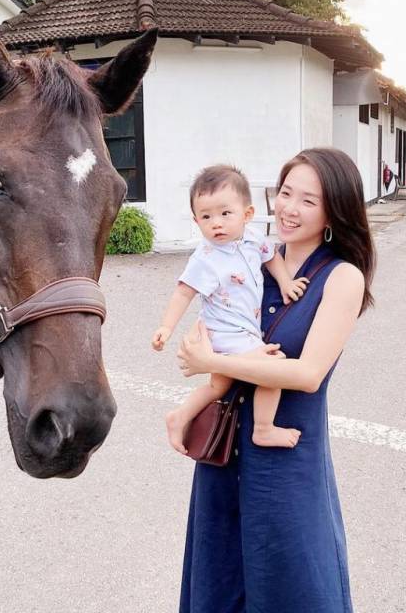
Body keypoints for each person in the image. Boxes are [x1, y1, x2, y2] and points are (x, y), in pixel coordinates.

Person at [176, 147, 375, 613]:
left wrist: (213, 361)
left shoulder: (342, 278)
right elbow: (210, 333)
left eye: (308, 200)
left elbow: (306, 374)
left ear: (334, 211)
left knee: (293, 585)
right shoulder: (250, 257)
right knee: (221, 579)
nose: (289, 208)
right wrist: (198, 381)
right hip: (225, 452)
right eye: (285, 192)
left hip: (287, 459)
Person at [151, 165, 308, 453]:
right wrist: (166, 326)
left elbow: (272, 257)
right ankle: (263, 429)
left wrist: (286, 282)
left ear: (247, 214)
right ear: (196, 221)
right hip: (225, 333)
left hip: (243, 330)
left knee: (218, 386)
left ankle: (179, 416)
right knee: (274, 369)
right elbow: (184, 292)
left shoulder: (253, 239)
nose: (217, 224)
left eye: (225, 213)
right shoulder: (206, 258)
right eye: (206, 217)